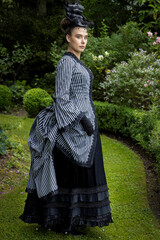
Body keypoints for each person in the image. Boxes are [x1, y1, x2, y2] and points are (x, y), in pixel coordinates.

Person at [19, 0, 113, 235]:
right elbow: (61, 97)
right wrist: (81, 118)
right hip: (72, 126)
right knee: (72, 174)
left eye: (86, 37)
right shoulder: (65, 62)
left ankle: (77, 218)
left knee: (84, 174)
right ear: (68, 38)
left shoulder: (78, 63)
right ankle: (64, 218)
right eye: (79, 36)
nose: (83, 40)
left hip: (88, 130)